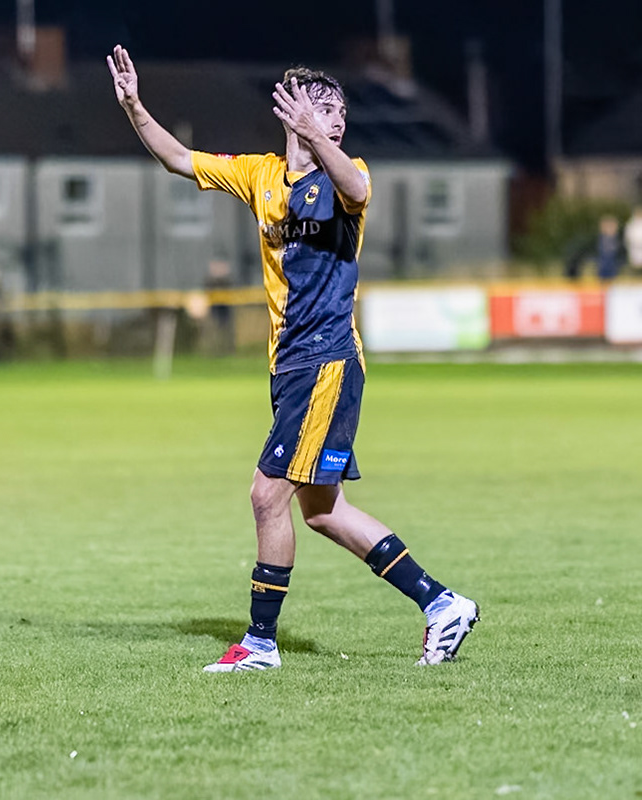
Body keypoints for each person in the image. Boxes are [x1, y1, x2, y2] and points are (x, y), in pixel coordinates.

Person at [108, 46, 479, 671]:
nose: (328, 119)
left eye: (334, 112)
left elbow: (358, 186)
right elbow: (178, 158)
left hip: (326, 360)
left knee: (265, 495)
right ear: (288, 110)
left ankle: (259, 643)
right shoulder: (259, 174)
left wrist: (316, 138)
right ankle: (442, 604)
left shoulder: (345, 177)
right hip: (290, 367)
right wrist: (134, 107)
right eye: (314, 107)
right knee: (323, 511)